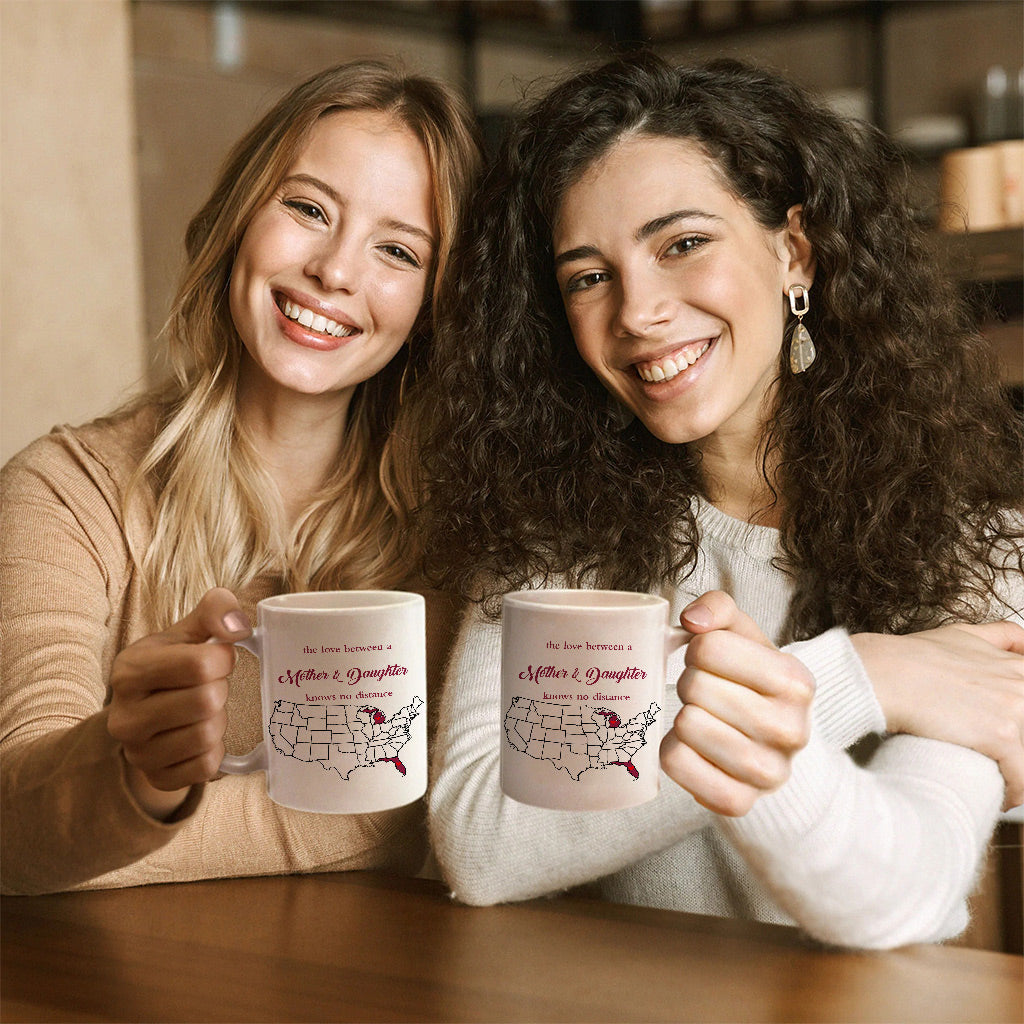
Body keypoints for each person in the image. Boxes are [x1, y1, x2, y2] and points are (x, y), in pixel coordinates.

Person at [415, 53, 1024, 949]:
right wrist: (859, 676)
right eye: (588, 276)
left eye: (682, 244)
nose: (637, 311)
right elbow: (481, 844)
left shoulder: (978, 544)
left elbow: (901, 892)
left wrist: (774, 695)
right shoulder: (552, 537)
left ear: (794, 252)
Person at [0, 60, 482, 895]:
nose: (335, 270)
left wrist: (122, 832)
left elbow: (422, 801)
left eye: (397, 250)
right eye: (307, 209)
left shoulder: (457, 532)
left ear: (434, 304)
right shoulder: (64, 492)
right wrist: (138, 777)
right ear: (237, 220)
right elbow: (16, 823)